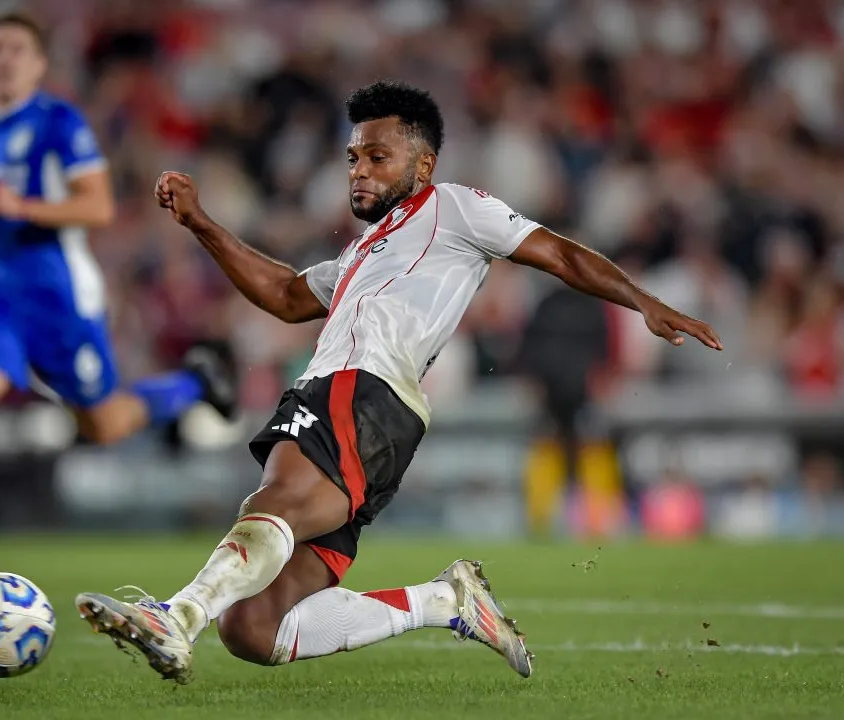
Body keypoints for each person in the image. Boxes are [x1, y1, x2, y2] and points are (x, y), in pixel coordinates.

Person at [75, 80, 722, 682]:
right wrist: (201, 224)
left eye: (377, 156)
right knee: (253, 627)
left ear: (423, 166)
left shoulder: (453, 209)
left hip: (363, 389)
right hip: (365, 407)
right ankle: (443, 600)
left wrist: (642, 300)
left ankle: (176, 617)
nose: (358, 169)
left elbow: (556, 251)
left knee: (273, 505)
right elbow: (285, 294)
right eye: (353, 157)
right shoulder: (362, 252)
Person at [0, 13, 237, 591]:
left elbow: (96, 206)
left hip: (59, 299)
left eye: (16, 49)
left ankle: (196, 385)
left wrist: (22, 211)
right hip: (0, 297)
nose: (3, 58)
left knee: (104, 424)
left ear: (37, 65)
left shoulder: (59, 122)